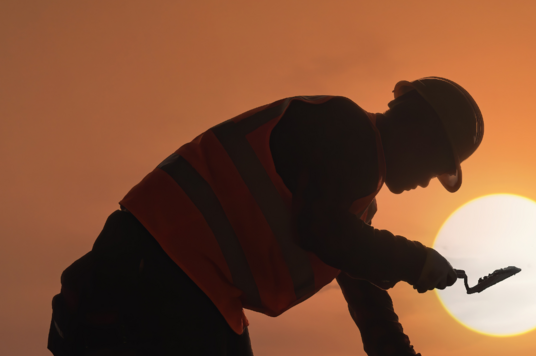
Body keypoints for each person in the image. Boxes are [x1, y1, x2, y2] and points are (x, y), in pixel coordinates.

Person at [48, 77, 485, 356]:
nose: (428, 181)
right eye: (435, 164)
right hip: (160, 266)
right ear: (418, 134)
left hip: (190, 282)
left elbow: (366, 293)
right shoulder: (346, 130)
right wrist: (416, 261)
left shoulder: (353, 197)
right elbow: (324, 232)